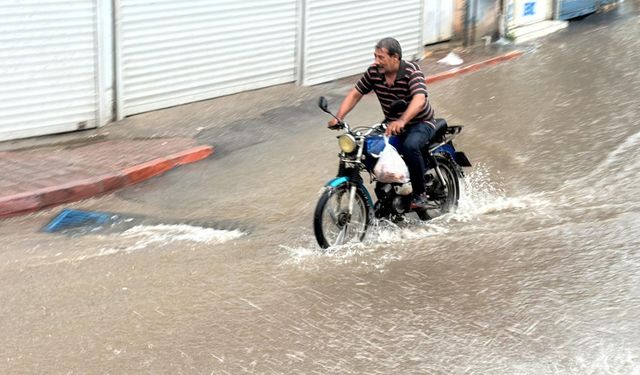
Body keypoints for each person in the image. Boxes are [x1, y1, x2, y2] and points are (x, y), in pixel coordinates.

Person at [328, 37, 436, 209]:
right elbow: (356, 93)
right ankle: (388, 193)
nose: (376, 61)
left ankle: (420, 195)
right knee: (369, 147)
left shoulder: (411, 71)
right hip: (392, 123)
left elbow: (419, 99)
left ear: (395, 58)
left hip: (420, 122)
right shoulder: (374, 72)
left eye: (381, 57)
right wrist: (339, 116)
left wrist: (402, 120)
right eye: (375, 56)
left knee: (410, 146)